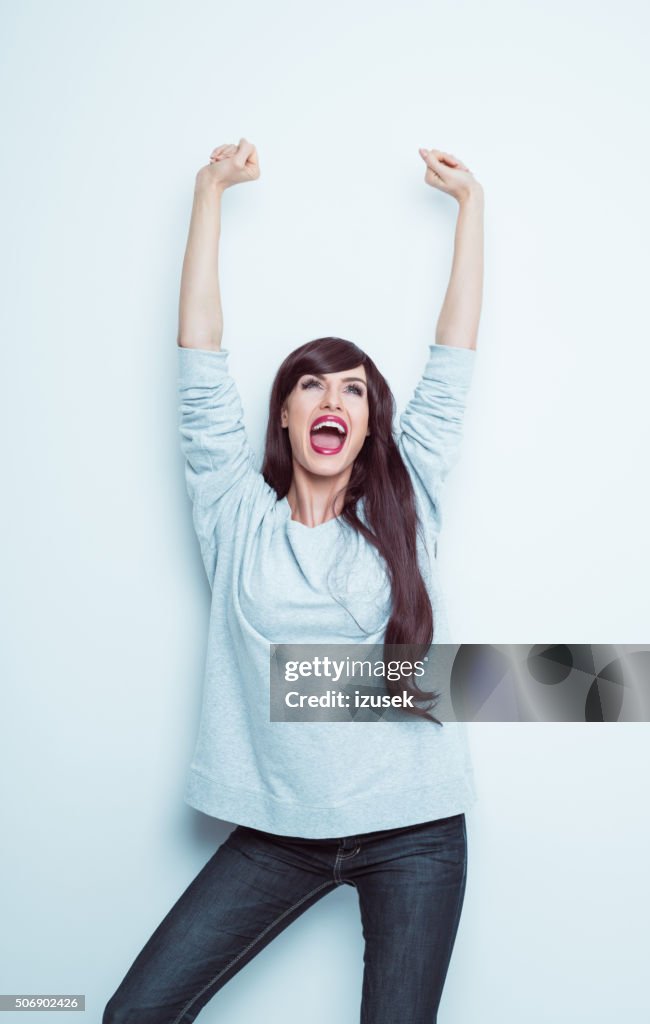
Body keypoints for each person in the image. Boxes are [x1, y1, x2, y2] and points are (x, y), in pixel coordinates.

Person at [103, 137, 484, 1024]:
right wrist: (208, 193)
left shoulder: (409, 498)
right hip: (280, 835)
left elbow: (454, 365)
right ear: (286, 411)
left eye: (353, 391)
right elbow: (198, 364)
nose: (332, 402)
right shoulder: (235, 517)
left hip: (416, 833)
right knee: (136, 1015)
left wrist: (472, 211)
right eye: (312, 386)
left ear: (368, 423)